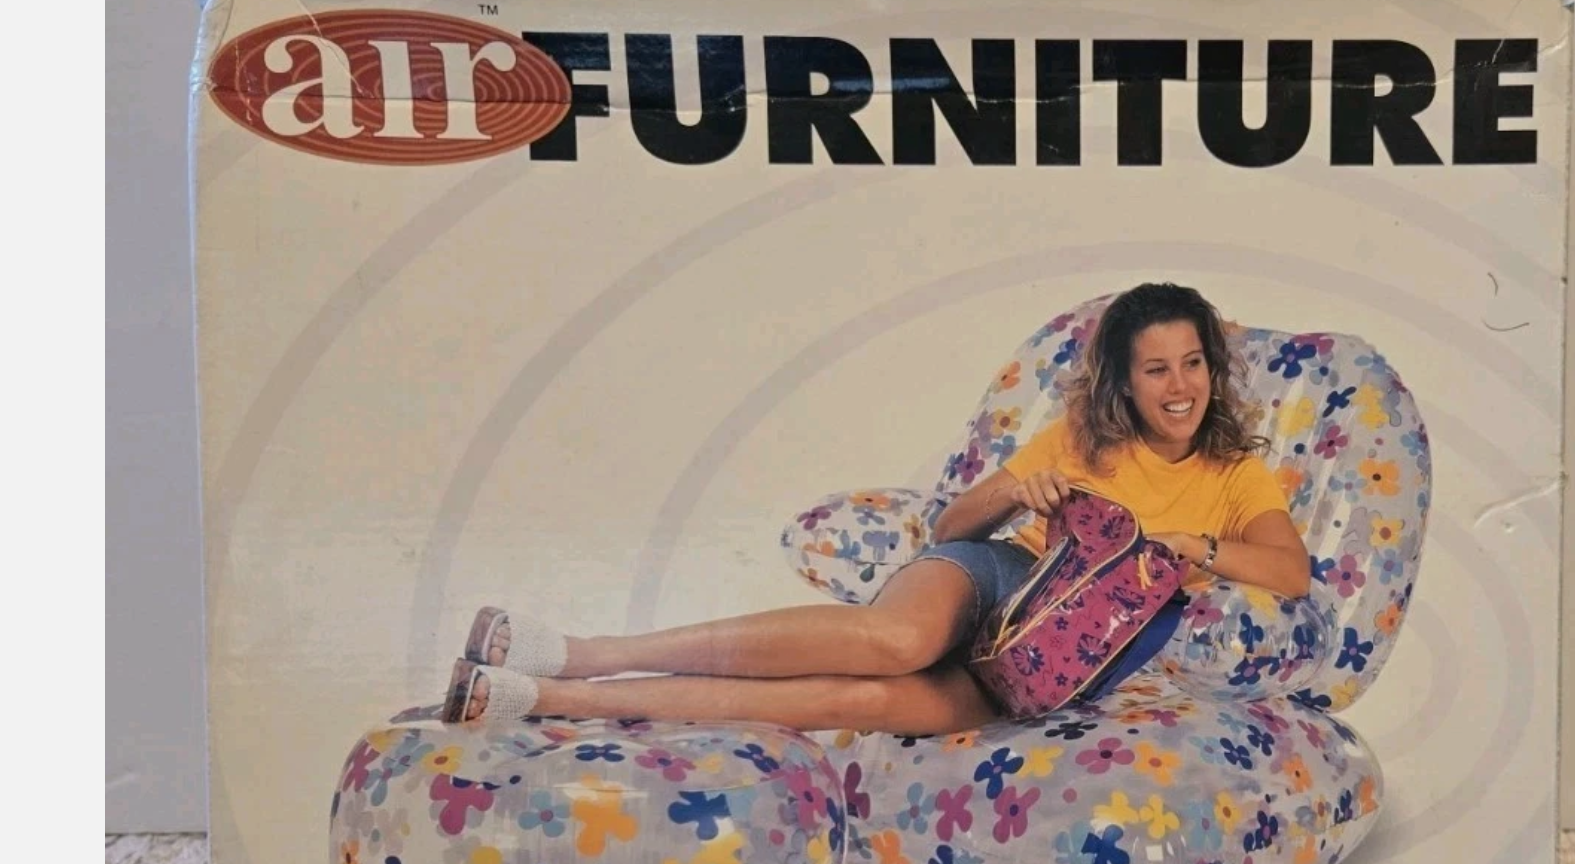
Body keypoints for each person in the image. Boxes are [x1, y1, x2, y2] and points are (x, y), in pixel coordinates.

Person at [443, 282, 1313, 736]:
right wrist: (1017, 490)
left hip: (1060, 664)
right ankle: (585, 653)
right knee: (895, 643)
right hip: (1003, 577)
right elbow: (949, 531)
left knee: (860, 701)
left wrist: (1192, 544)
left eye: (1193, 364)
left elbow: (1289, 572)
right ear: (1125, 377)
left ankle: (546, 699)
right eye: (1157, 368)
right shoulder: (1083, 435)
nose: (1180, 386)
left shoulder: (1235, 475)